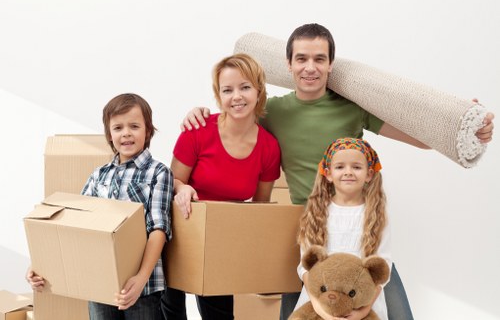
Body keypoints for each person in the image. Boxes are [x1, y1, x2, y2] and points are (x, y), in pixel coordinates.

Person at [181, 23, 495, 320]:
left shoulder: (352, 106)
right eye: (301, 59)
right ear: (288, 64)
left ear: (332, 64)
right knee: (295, 313)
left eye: (320, 59)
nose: (310, 67)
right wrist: (198, 112)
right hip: (307, 228)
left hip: (359, 225)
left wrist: (460, 125)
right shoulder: (273, 111)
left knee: (398, 312)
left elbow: (421, 138)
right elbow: (234, 118)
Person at [27, 93, 173, 320]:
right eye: (118, 128)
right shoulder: (99, 175)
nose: (126, 133)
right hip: (100, 283)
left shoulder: (158, 172)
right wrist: (40, 266)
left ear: (148, 131)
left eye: (134, 126)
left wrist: (141, 277)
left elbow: (158, 228)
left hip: (142, 287)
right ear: (109, 134)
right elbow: (73, 223)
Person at [161, 53, 281, 320]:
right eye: (227, 90)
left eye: (245, 87)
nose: (236, 96)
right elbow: (171, 181)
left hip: (221, 240)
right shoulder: (198, 130)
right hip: (180, 229)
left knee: (220, 316)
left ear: (259, 90)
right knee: (172, 312)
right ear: (218, 95)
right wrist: (183, 189)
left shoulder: (269, 147)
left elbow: (260, 207)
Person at [296, 137, 390, 320]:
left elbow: (382, 269)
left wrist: (361, 312)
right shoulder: (317, 213)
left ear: (369, 174)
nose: (348, 172)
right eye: (340, 167)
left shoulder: (376, 215)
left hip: (363, 304)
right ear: (329, 174)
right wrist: (320, 309)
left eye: (356, 167)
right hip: (318, 302)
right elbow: (305, 267)